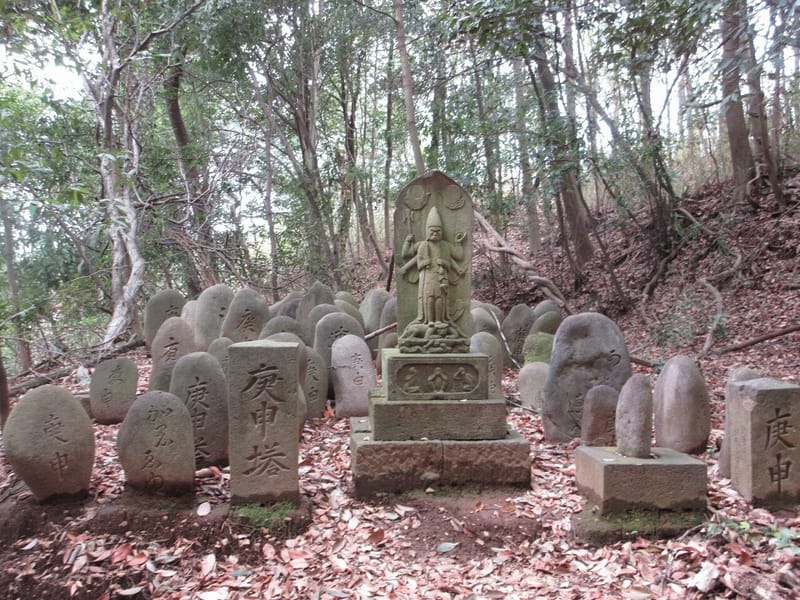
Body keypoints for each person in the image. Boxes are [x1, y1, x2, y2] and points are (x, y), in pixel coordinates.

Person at [398, 206, 467, 334]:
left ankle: (439, 320)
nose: (435, 233)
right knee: (429, 298)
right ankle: (429, 320)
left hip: (441, 277)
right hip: (427, 277)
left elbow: (458, 256)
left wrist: (458, 244)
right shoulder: (422, 245)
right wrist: (407, 241)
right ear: (426, 231)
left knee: (440, 298)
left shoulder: (445, 246)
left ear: (442, 232)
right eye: (432, 231)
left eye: (438, 231)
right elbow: (406, 254)